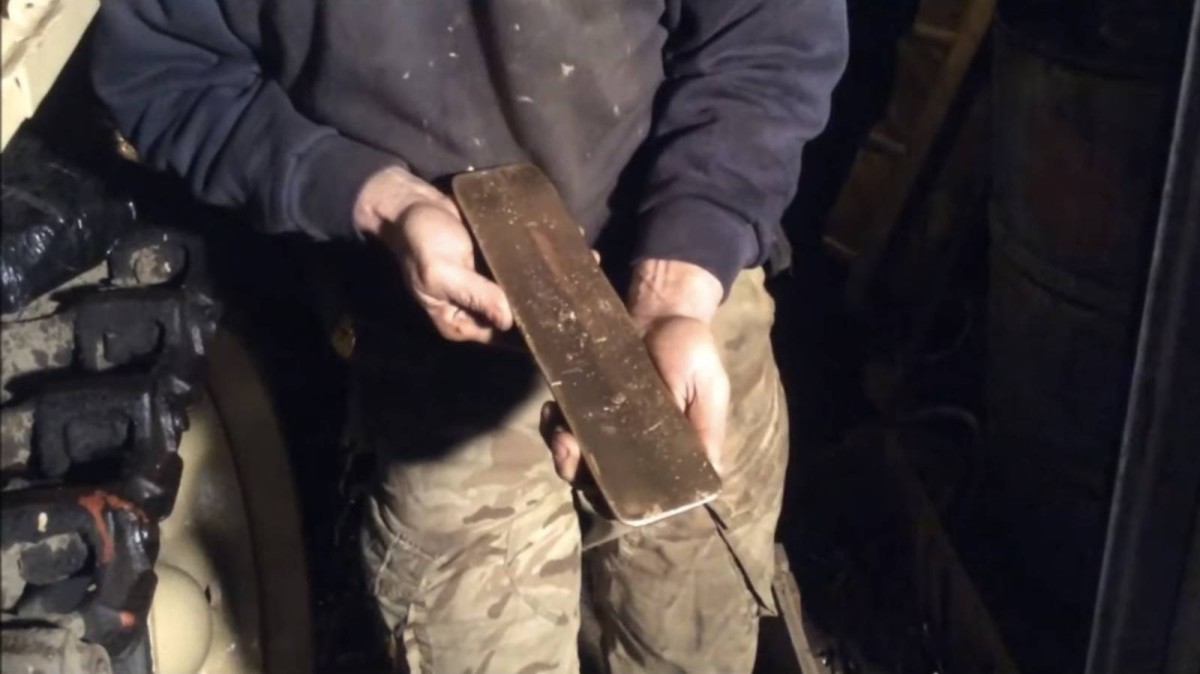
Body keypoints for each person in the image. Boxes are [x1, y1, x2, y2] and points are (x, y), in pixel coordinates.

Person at [91, 2, 848, 672]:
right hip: (424, 343)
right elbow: (165, 67)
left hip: (687, 290)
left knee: (693, 630)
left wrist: (677, 285)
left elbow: (771, 33)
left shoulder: (682, 287)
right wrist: (379, 201)